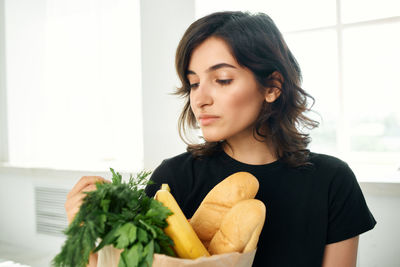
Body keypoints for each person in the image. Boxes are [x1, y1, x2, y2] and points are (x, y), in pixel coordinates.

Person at [65, 11, 376, 267]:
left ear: (272, 86)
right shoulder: (171, 182)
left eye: (222, 80)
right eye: (193, 83)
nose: (200, 99)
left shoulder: (332, 182)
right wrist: (83, 234)